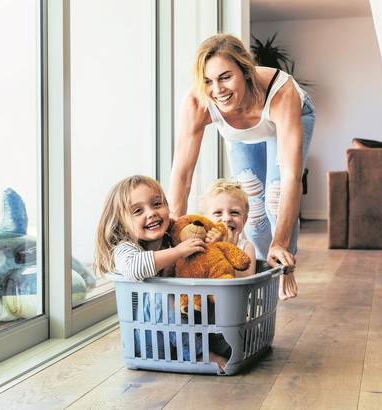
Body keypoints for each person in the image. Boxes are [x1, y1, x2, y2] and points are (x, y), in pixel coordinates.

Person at [169, 33, 316, 300]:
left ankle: (283, 263)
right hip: (242, 133)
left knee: (274, 195)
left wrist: (281, 241)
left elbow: (291, 177)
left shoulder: (282, 92)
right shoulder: (198, 102)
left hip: (286, 118)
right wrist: (172, 235)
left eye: (225, 77)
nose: (218, 90)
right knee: (254, 210)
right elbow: (182, 173)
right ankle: (260, 273)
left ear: (245, 71)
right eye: (208, 81)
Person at [94, 175, 227, 370]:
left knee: (206, 290)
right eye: (138, 211)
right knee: (159, 295)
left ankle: (224, 343)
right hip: (150, 339)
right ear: (121, 223)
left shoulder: (172, 237)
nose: (151, 213)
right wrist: (178, 251)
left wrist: (212, 240)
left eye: (157, 204)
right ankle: (199, 354)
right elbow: (134, 268)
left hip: (182, 331)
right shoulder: (125, 248)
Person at [200, 178, 256, 277]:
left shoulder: (246, 247)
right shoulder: (200, 243)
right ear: (205, 220)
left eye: (234, 212)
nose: (226, 218)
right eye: (218, 213)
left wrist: (227, 248)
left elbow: (246, 279)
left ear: (244, 219)